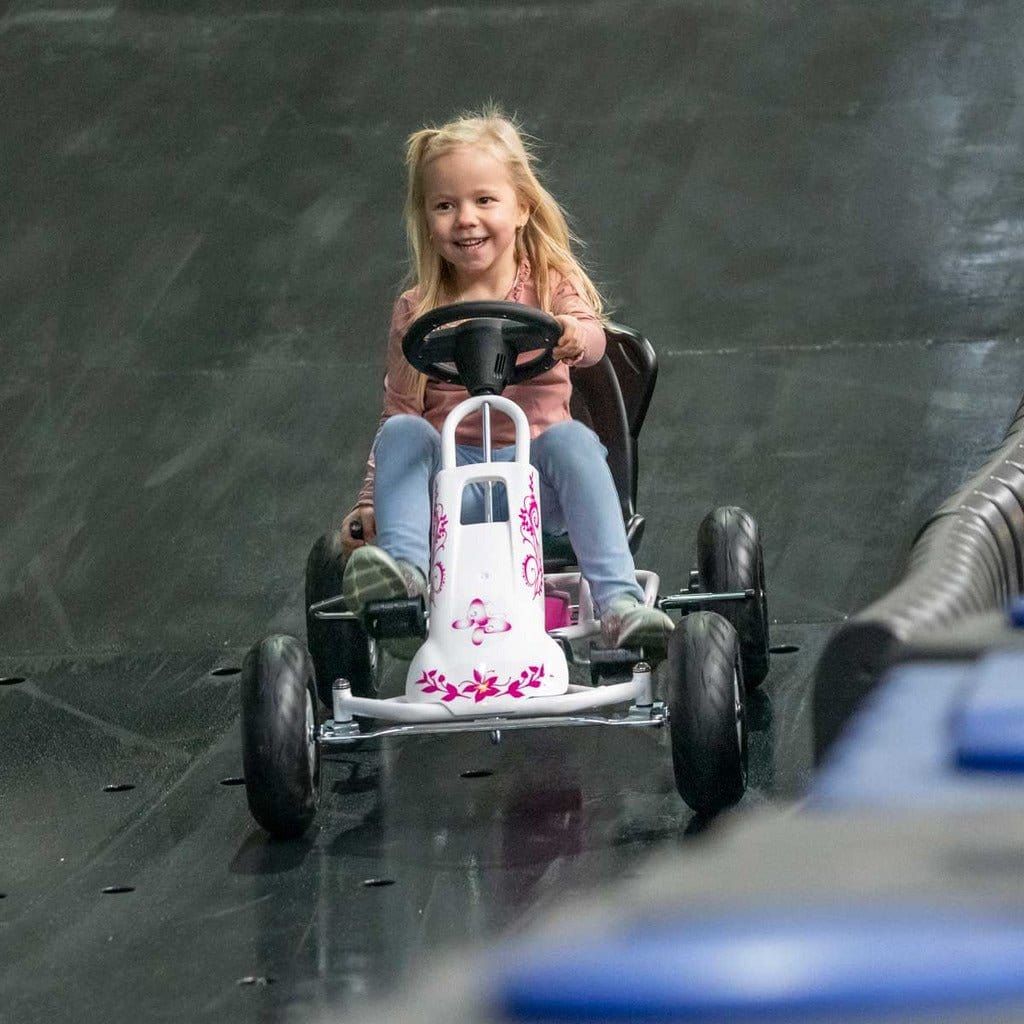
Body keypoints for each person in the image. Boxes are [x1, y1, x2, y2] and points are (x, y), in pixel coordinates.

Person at [340, 105, 673, 655]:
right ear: (427, 220)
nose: (465, 219)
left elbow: (592, 341)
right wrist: (370, 503)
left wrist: (570, 333)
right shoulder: (417, 308)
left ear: (521, 208)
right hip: (454, 491)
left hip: (538, 490)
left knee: (570, 439)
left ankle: (618, 604)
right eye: (445, 206)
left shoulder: (549, 283)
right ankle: (404, 585)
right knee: (406, 434)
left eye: (483, 201)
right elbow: (399, 408)